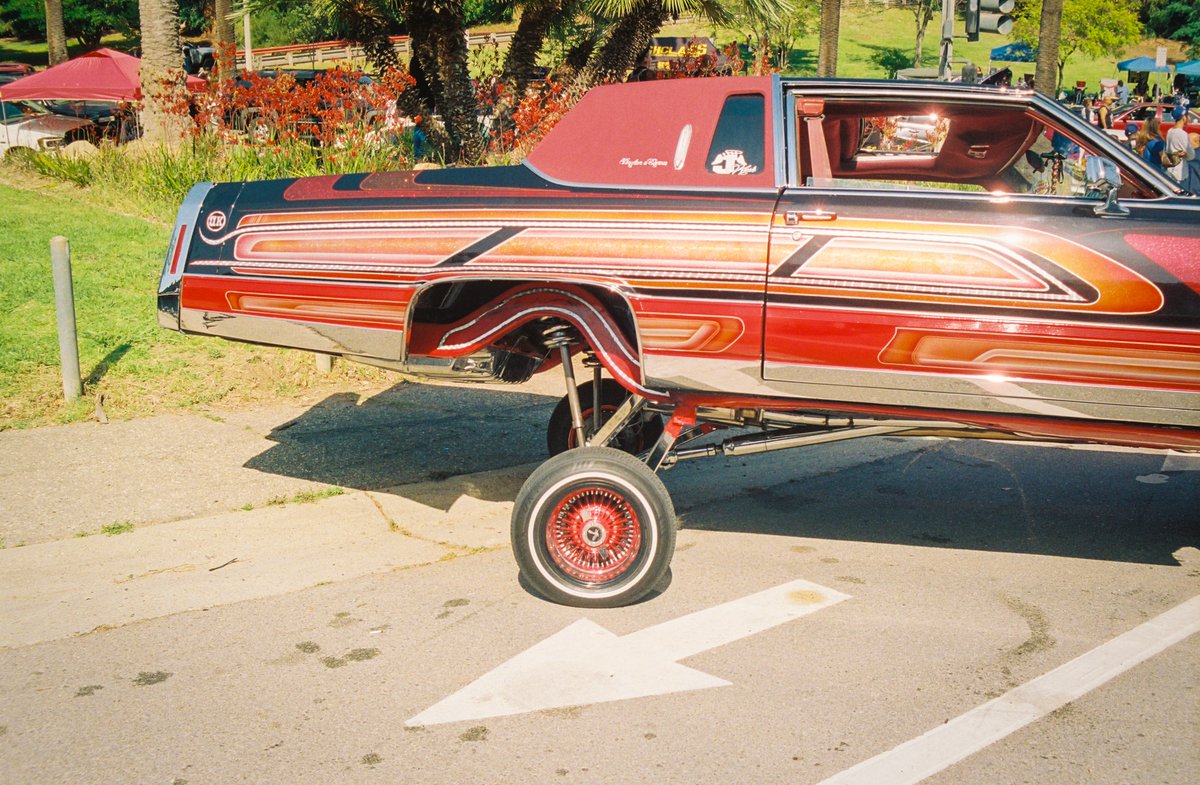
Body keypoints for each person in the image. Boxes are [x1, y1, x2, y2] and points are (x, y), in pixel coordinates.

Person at [1164, 104, 1195, 181]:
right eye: (1187, 115)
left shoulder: (1170, 131)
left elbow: (1168, 149)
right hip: (1179, 172)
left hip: (1170, 169)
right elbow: (1191, 155)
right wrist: (1185, 154)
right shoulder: (1182, 134)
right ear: (1183, 118)